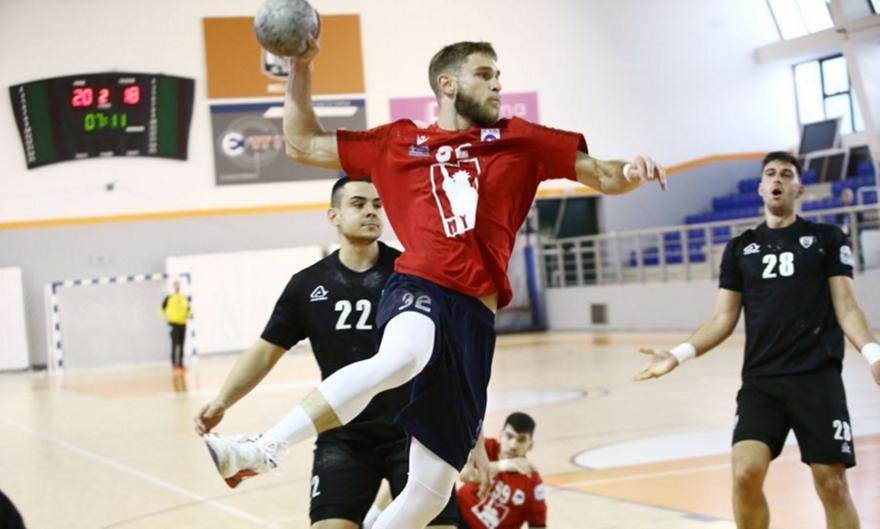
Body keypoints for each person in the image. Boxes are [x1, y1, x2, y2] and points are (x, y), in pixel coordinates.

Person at [204, 38, 666, 529]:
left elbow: (603, 174)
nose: (497, 85)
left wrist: (631, 170)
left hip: (476, 318)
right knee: (401, 356)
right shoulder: (396, 142)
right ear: (447, 84)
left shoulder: (521, 140)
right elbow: (302, 143)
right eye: (484, 75)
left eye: (498, 76)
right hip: (420, 287)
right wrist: (300, 67)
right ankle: (262, 449)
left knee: (429, 491)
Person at [195, 177, 459, 529]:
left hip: (415, 435)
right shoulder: (307, 285)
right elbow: (264, 353)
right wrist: (222, 402)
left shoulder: (410, 275)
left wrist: (471, 442)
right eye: (359, 204)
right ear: (334, 215)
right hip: (343, 438)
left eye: (377, 205)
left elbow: (451, 362)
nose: (371, 212)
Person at [635, 151, 880, 529]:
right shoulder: (740, 248)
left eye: (786, 174)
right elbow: (723, 318)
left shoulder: (827, 238)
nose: (778, 178)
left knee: (832, 485)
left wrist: (873, 353)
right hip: (762, 383)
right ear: (761, 188)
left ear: (799, 188)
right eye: (770, 173)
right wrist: (678, 354)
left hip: (817, 379)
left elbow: (846, 307)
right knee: (745, 474)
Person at [458, 412, 546, 529]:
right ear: (501, 435)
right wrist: (503, 465)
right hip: (458, 513)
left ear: (530, 445)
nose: (513, 445)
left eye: (521, 440)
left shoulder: (533, 483)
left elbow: (538, 525)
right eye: (509, 436)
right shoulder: (485, 447)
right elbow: (464, 475)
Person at [161, 280, 190, 369]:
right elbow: (162, 309)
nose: (177, 287)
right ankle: (174, 364)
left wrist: (189, 315)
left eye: (178, 285)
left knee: (181, 344)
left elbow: (188, 309)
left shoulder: (183, 297)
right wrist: (165, 317)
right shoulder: (169, 298)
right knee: (175, 344)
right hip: (173, 324)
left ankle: (180, 363)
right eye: (175, 285)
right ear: (173, 287)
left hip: (183, 324)